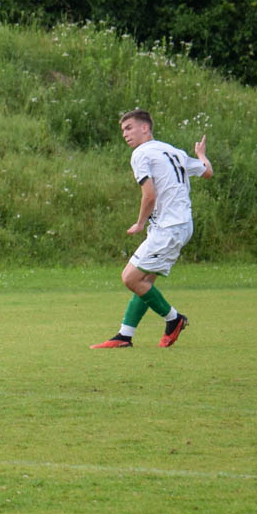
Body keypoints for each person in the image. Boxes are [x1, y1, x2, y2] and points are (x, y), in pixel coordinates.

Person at [91, 109, 214, 349]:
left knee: (130, 277)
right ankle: (124, 336)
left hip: (169, 227)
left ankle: (174, 319)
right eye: (123, 130)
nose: (125, 134)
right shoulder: (173, 151)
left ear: (145, 128)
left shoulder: (141, 153)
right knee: (145, 280)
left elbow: (149, 195)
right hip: (179, 225)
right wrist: (201, 155)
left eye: (129, 128)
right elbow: (207, 171)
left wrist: (140, 223)